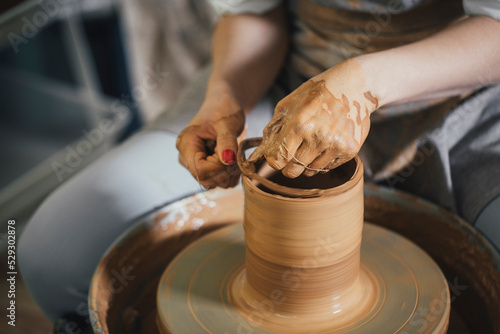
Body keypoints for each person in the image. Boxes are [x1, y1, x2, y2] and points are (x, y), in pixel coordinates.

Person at [19, 0, 500, 331]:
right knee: (53, 253)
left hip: (461, 96)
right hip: (289, 85)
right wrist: (225, 100)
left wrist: (363, 86)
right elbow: (256, 12)